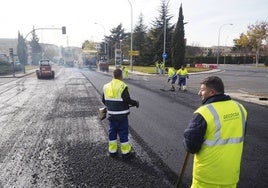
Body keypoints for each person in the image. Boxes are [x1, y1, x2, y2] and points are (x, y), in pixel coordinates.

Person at [183, 76, 247, 188]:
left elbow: (191, 146)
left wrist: (187, 135)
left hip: (206, 178)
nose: (199, 93)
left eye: (202, 90)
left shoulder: (203, 112)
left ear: (212, 92)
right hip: (230, 177)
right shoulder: (240, 108)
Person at [102, 69, 139, 159]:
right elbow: (127, 100)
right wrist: (135, 103)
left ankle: (113, 152)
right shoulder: (122, 86)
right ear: (121, 76)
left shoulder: (106, 86)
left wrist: (111, 106)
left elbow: (104, 100)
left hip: (111, 115)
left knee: (112, 132)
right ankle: (126, 153)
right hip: (121, 116)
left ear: (113, 75)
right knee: (123, 133)